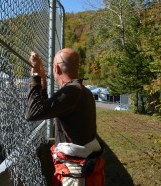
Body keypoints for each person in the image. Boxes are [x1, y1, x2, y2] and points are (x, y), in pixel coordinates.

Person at [26, 48, 105, 186]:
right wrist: (43, 77)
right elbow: (47, 109)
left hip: (75, 176)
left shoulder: (71, 92)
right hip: (85, 171)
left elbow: (33, 112)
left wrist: (35, 73)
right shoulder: (82, 91)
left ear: (56, 68)